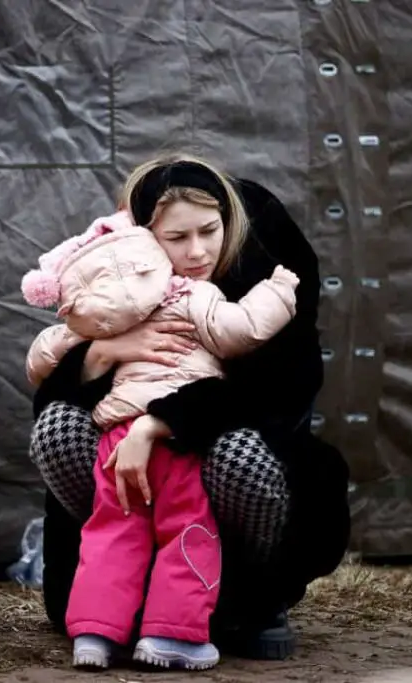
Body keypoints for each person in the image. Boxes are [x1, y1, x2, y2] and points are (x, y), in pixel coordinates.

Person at [27, 151, 352, 661]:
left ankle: (248, 601)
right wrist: (102, 354)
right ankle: (111, 601)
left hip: (221, 437)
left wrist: (162, 422)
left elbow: (285, 383)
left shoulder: (263, 259)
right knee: (58, 429)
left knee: (239, 458)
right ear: (143, 239)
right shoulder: (125, 277)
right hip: (124, 455)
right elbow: (47, 379)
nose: (197, 251)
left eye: (208, 231)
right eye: (176, 239)